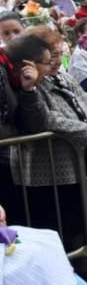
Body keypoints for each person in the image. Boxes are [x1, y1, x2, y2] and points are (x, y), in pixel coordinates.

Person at [10, 27, 87, 245]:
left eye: (59, 54)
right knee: (61, 230)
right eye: (52, 56)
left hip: (79, 166)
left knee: (85, 225)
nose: (56, 61)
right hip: (49, 172)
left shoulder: (63, 77)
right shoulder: (30, 82)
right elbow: (45, 120)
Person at [0, 31, 51, 228]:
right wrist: (19, 135)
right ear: (28, 64)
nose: (50, 68)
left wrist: (29, 90)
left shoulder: (16, 79)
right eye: (46, 62)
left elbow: (35, 124)